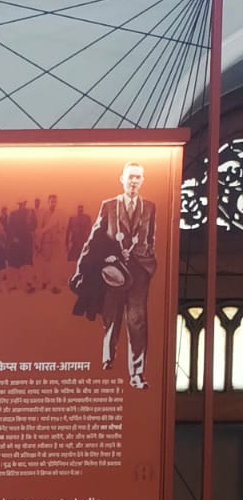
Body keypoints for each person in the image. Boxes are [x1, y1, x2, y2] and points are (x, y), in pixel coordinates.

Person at [81, 162, 157, 390]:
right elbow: (95, 237)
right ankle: (108, 358)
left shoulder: (149, 207)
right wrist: (86, 265)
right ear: (122, 179)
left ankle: (137, 373)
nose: (134, 181)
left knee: (137, 320)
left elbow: (150, 237)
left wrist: (146, 257)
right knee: (112, 316)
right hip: (114, 269)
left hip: (139, 270)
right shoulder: (109, 206)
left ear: (142, 180)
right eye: (130, 177)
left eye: (138, 177)